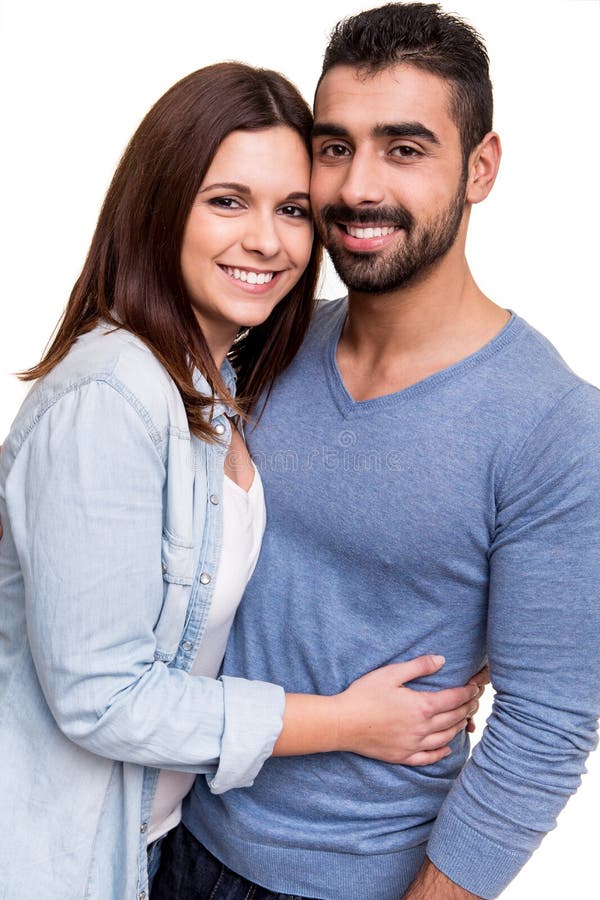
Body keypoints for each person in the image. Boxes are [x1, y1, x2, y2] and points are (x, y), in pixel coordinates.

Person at [0, 61, 488, 900]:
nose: (268, 240)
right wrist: (347, 722)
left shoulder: (219, 385)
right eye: (228, 200)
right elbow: (101, 699)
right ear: (161, 205)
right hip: (61, 859)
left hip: (161, 845)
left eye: (293, 209)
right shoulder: (113, 394)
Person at [151, 4, 600, 900]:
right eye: (333, 146)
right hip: (172, 836)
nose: (358, 187)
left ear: (480, 168)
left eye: (404, 148)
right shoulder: (265, 346)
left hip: (358, 881)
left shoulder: (555, 425)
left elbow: (546, 726)